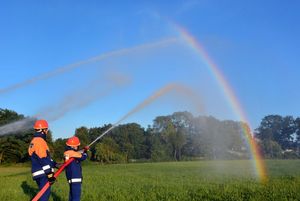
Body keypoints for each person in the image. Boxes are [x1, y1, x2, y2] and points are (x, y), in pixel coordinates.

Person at [28, 119, 57, 201]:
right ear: (43, 130)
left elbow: (45, 158)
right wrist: (49, 174)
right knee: (45, 195)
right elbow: (43, 159)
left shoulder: (34, 141)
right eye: (46, 129)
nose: (47, 131)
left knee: (43, 193)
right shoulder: (40, 141)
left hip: (38, 173)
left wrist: (55, 164)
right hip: (43, 173)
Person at [64, 136, 89, 201]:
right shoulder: (73, 153)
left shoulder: (67, 153)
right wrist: (86, 151)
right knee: (76, 198)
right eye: (77, 146)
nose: (78, 147)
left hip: (70, 178)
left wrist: (83, 150)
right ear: (73, 146)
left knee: (71, 197)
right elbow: (83, 157)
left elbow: (77, 153)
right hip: (76, 178)